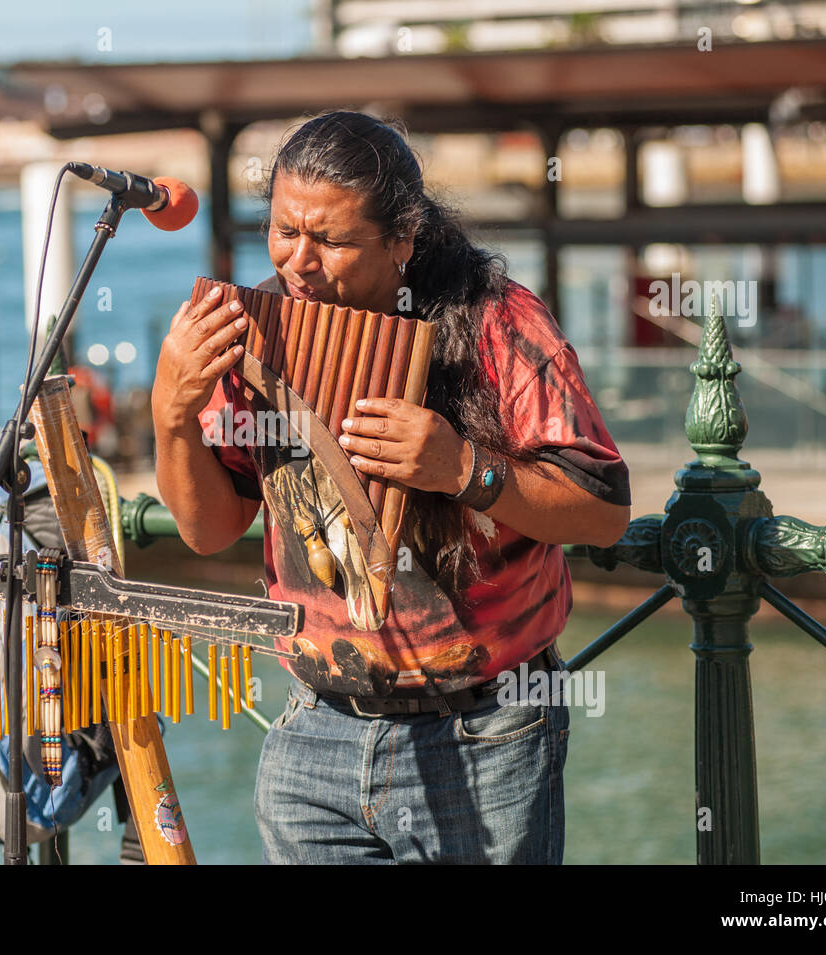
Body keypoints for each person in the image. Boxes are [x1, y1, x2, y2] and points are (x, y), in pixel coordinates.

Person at [151, 111, 631, 864]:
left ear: (402, 239)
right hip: (313, 730)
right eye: (282, 230)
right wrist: (171, 415)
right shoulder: (255, 328)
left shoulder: (497, 321)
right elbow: (209, 530)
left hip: (485, 734)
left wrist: (465, 470)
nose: (298, 263)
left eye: (331, 240)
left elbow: (603, 513)